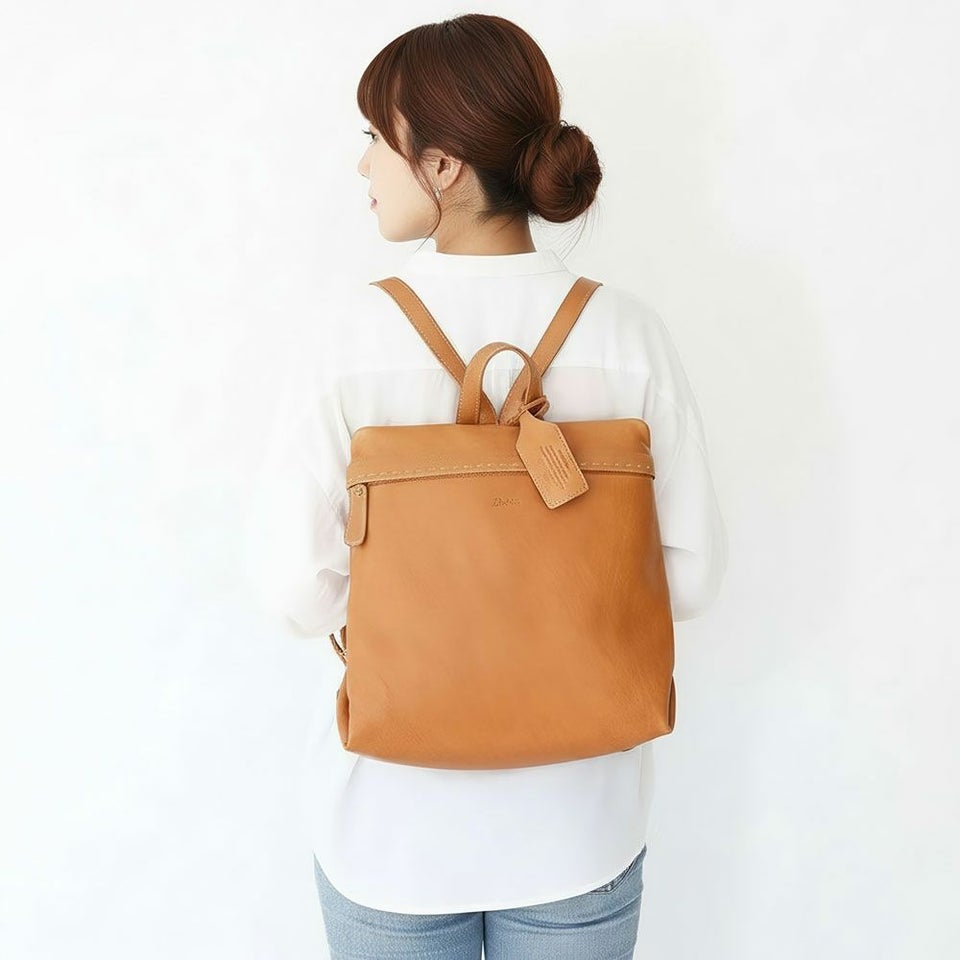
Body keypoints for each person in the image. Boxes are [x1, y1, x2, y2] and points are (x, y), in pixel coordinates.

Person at [244, 13, 728, 959]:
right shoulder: (629, 334)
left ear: (442, 165)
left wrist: (423, 615)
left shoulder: (347, 339)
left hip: (391, 828)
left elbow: (293, 591)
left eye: (375, 138)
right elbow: (696, 577)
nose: (361, 164)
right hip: (578, 824)